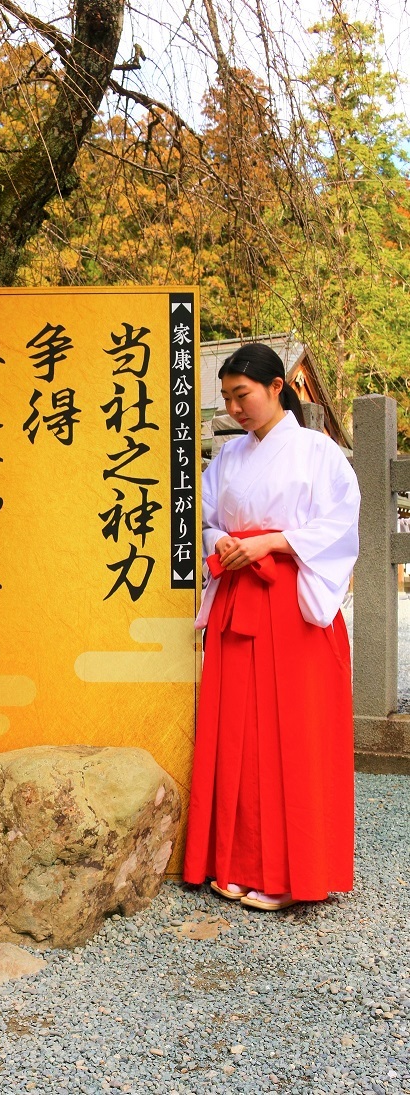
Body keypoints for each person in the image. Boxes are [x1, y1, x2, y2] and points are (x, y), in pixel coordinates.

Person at [183, 343, 360, 911]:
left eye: (244, 395)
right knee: (238, 733)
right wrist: (224, 541)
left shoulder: (319, 453)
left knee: (293, 736)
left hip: (293, 602)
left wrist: (275, 541)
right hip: (239, 597)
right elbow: (205, 521)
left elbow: (340, 521)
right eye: (229, 398)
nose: (236, 408)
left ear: (277, 386)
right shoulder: (229, 458)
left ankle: (292, 872)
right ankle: (236, 859)